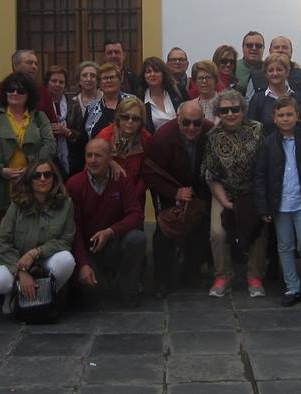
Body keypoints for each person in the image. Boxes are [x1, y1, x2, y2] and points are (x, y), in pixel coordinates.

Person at [254, 97, 301, 306]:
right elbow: (260, 176)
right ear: (274, 118)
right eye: (281, 115)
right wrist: (263, 207)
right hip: (279, 205)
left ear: (297, 116)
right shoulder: (268, 144)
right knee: (285, 246)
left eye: (289, 114)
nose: (285, 119)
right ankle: (292, 287)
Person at [0, 158, 76, 312]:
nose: (43, 179)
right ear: (29, 179)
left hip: (44, 259)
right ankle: (15, 294)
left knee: (66, 260)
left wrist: (36, 252)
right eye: (37, 175)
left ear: (54, 178)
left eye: (47, 174)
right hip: (15, 259)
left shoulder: (66, 204)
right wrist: (21, 271)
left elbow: (65, 241)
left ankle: (45, 295)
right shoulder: (16, 204)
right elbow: (3, 243)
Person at [0, 71, 56, 244]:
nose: (14, 93)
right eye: (10, 90)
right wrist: (1, 170)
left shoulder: (39, 117)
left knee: (32, 237)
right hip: (0, 187)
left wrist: (32, 170)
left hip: (33, 184)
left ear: (29, 95)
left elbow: (50, 145)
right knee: (2, 239)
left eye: (20, 90)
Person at [143, 101, 212, 298]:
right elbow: (149, 173)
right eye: (186, 122)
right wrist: (175, 193)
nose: (192, 127)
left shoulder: (210, 131)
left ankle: (191, 272)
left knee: (202, 226)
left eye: (197, 123)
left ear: (203, 120)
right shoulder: (162, 138)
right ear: (178, 119)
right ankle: (162, 280)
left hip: (198, 188)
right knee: (164, 230)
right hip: (169, 190)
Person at [66, 139, 146, 307]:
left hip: (114, 242)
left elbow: (136, 214)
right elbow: (73, 228)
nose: (93, 160)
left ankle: (128, 289)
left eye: (98, 156)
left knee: (137, 238)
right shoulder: (74, 184)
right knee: (92, 297)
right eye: (89, 155)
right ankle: (101, 278)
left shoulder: (121, 179)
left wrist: (110, 231)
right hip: (88, 248)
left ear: (110, 158)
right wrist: (83, 264)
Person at [204, 89, 267, 298]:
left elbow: (265, 166)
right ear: (218, 113)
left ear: (243, 110)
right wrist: (226, 203)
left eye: (235, 109)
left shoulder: (257, 130)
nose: (230, 114)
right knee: (217, 233)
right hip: (223, 192)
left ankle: (255, 276)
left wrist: (253, 200)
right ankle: (223, 276)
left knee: (258, 230)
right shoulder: (212, 137)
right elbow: (211, 174)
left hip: (252, 193)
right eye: (224, 110)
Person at [95, 98, 151, 205]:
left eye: (135, 119)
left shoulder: (146, 139)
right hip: (106, 195)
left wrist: (133, 196)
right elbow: (90, 166)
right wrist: (108, 161)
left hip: (135, 196)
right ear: (118, 118)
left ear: (141, 122)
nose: (130, 121)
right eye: (125, 117)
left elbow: (146, 174)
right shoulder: (105, 135)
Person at [0, 50, 58, 123]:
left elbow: (52, 122)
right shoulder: (0, 88)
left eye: (36, 64)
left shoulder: (43, 91)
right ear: (15, 66)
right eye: (29, 63)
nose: (34, 67)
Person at [246, 53, 301, 133]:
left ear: (287, 72)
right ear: (265, 74)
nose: (275, 73)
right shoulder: (257, 100)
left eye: (279, 70)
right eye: (270, 70)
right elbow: (251, 129)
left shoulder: (298, 98)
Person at [248, 36, 301, 101]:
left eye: (284, 47)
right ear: (270, 51)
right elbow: (248, 101)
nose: (280, 50)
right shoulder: (256, 76)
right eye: (276, 47)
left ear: (291, 51)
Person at [84, 63, 134, 141]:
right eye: (105, 78)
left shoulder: (132, 102)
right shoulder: (92, 107)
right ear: (99, 83)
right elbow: (84, 137)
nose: (108, 81)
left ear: (120, 80)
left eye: (112, 77)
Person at [45, 65, 77, 175]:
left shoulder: (74, 104)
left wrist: (68, 132)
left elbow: (81, 134)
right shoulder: (40, 103)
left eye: (61, 82)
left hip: (70, 158)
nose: (57, 84)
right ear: (47, 82)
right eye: (54, 81)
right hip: (46, 158)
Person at [140, 57, 182, 133]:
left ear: (163, 74)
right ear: (144, 76)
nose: (152, 74)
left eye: (156, 71)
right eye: (148, 72)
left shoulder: (178, 92)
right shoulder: (140, 100)